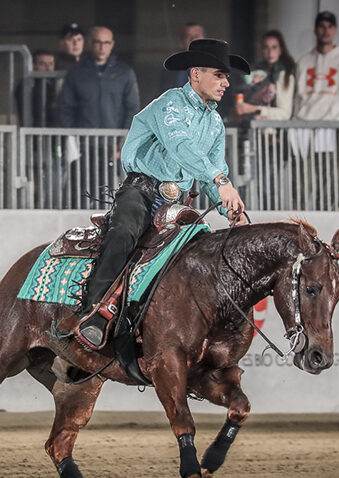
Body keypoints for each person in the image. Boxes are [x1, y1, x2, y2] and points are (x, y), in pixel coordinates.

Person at [74, 38, 250, 350]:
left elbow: (211, 172)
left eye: (227, 77)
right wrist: (221, 181)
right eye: (219, 75)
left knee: (202, 255)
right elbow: (182, 147)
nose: (226, 83)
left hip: (177, 204)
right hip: (141, 192)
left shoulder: (215, 124)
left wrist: (230, 210)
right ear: (195, 74)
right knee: (124, 233)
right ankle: (94, 314)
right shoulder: (170, 104)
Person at [58, 25, 140, 129]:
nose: (102, 47)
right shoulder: (76, 73)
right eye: (98, 42)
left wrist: (125, 136)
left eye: (106, 43)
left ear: (112, 44)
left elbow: (133, 108)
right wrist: (72, 136)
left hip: (115, 140)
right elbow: (65, 107)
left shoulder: (125, 73)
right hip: (83, 140)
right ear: (90, 43)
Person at [292, 11, 339, 120]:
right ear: (315, 30)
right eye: (321, 26)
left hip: (332, 126)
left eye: (330, 27)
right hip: (304, 125)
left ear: (335, 30)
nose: (326, 31)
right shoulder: (303, 62)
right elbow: (297, 98)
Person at [235, 30, 296, 122]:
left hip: (273, 130)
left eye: (274, 47)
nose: (270, 52)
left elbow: (284, 114)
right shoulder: (256, 71)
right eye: (266, 48)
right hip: (249, 124)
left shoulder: (284, 74)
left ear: (281, 50)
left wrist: (254, 109)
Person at [159, 22, 205, 93]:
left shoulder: (214, 67)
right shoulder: (171, 67)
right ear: (181, 41)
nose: (192, 39)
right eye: (188, 36)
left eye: (196, 36)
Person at [17, 49, 58, 127]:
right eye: (42, 64)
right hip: (34, 131)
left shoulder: (53, 84)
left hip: (53, 131)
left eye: (51, 64)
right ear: (33, 65)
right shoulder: (27, 84)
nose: (48, 68)